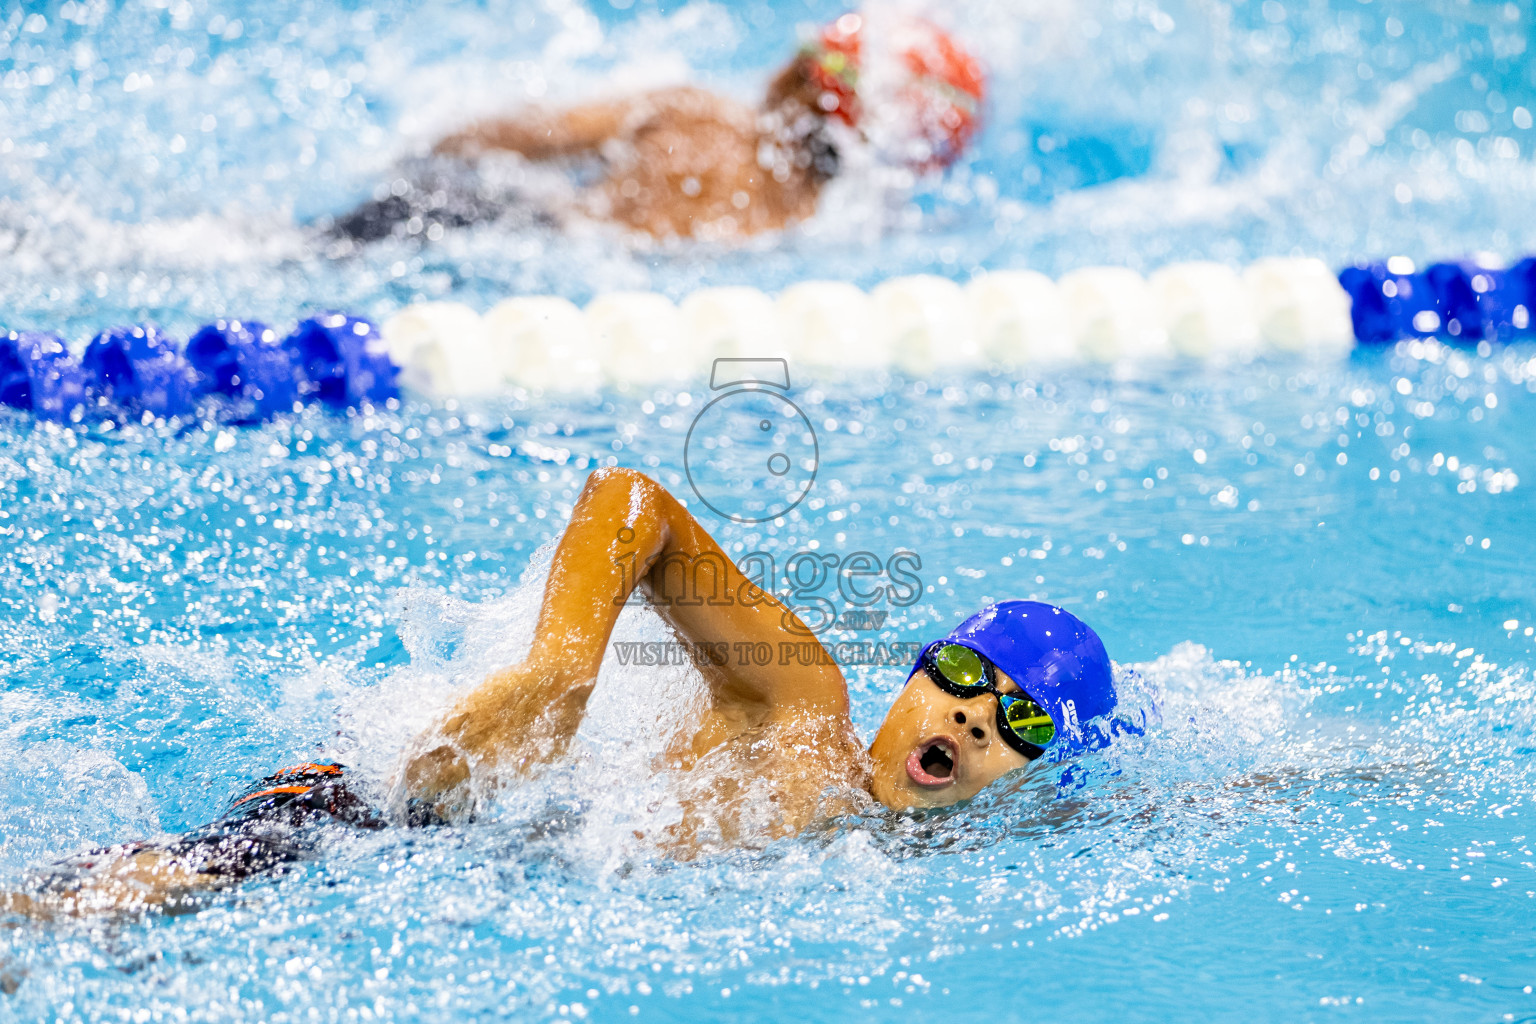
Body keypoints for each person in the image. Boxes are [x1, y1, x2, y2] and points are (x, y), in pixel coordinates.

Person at [1, 468, 1119, 921]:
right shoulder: (801, 702)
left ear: (1027, 769)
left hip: (433, 874)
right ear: (919, 672)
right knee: (110, 901)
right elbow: (633, 500)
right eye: (968, 679)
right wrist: (559, 671)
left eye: (1018, 719)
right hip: (385, 810)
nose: (976, 716)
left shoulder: (931, 856)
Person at [327, 12, 985, 243]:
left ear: (801, 81)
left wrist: (413, 155)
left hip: (499, 230)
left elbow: (516, 136)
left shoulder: (695, 120)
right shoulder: (847, 230)